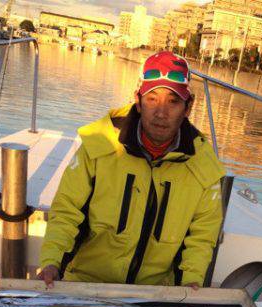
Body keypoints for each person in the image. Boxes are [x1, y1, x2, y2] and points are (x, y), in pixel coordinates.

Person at [38, 50, 225, 289]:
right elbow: (66, 210)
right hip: (86, 284)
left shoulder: (204, 167)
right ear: (138, 101)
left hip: (156, 293)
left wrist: (191, 282)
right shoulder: (99, 146)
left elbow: (202, 237)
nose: (160, 112)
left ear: (188, 107)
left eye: (173, 101)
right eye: (152, 98)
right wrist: (52, 262)